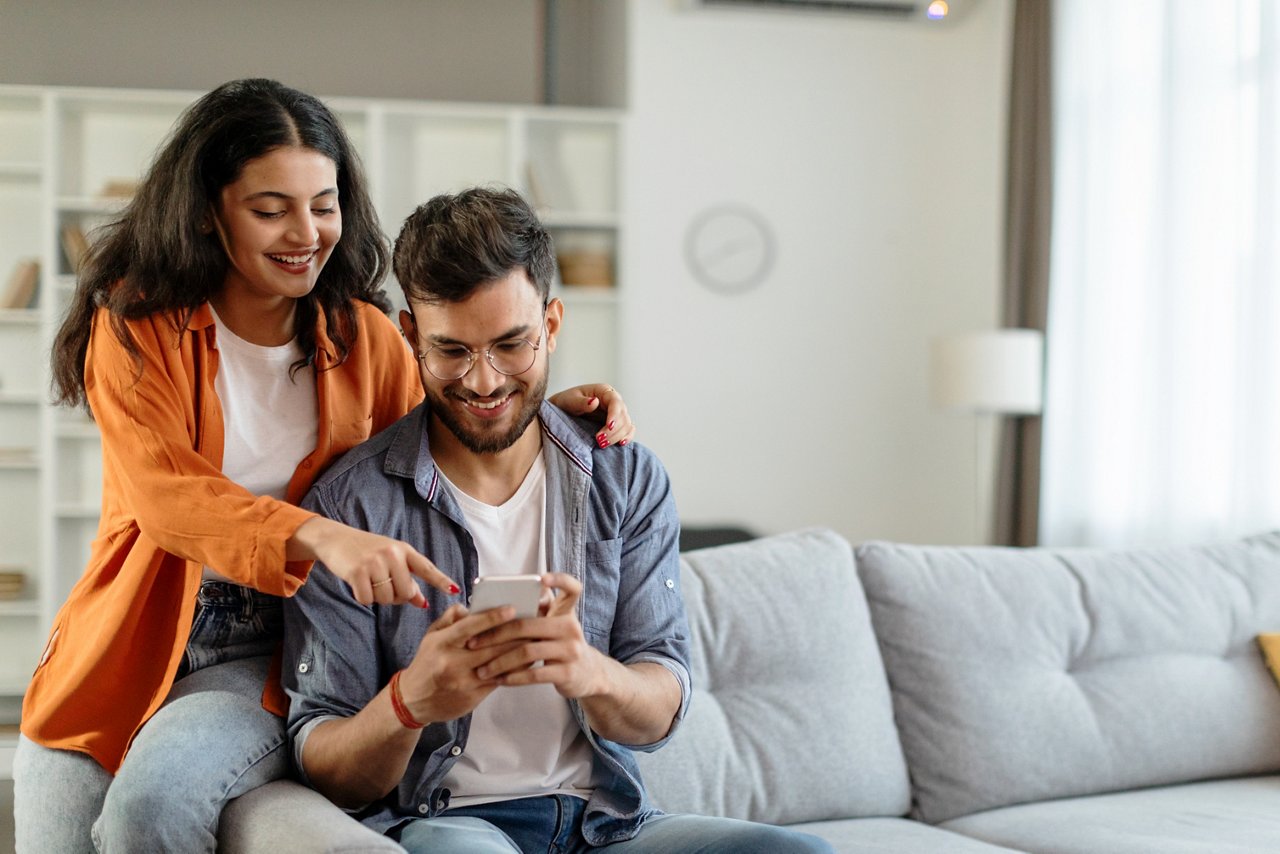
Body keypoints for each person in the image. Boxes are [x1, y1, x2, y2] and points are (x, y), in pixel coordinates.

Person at [14, 79, 633, 854]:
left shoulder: (365, 336)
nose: (305, 232)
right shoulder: (138, 323)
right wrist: (321, 535)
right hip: (134, 625)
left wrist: (531, 402)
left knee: (153, 802)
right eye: (270, 209)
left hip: (280, 642)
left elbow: (439, 422)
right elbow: (165, 496)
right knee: (52, 821)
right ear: (210, 212)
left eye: (324, 203)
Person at [282, 187, 832, 853]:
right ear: (410, 337)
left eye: (511, 345)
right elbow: (326, 764)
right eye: (452, 351)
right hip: (452, 826)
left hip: (609, 827)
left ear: (552, 323)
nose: (483, 382)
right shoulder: (350, 508)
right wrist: (411, 701)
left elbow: (662, 701)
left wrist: (588, 671)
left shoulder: (626, 479)